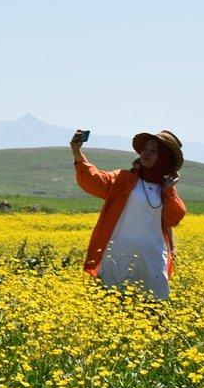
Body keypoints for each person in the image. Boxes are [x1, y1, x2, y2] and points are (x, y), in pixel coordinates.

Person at [71, 129, 186, 300]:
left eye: (154, 151)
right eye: (145, 149)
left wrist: (169, 189)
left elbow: (173, 218)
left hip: (152, 257)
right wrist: (77, 152)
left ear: (164, 158)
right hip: (119, 254)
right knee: (113, 305)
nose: (146, 153)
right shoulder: (124, 179)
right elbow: (95, 180)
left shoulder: (166, 188)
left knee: (154, 309)